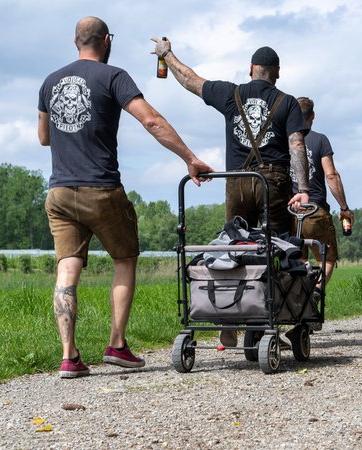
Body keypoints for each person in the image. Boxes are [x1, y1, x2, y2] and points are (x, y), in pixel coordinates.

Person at [38, 17, 214, 379]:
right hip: (100, 188)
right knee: (125, 258)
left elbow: (44, 137)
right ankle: (116, 345)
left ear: (76, 43)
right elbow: (151, 121)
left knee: (67, 267)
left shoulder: (49, 82)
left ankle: (69, 357)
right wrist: (190, 158)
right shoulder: (114, 76)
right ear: (105, 41)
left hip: (58, 190)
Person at [152, 39, 310, 347]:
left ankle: (229, 321)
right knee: (276, 249)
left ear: (251, 70)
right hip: (274, 183)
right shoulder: (288, 102)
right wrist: (303, 189)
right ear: (276, 74)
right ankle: (269, 321)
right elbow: (297, 146)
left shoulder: (230, 93)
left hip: (237, 180)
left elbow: (190, 80)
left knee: (232, 248)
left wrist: (166, 54)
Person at [292, 97, 354, 286]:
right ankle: (315, 294)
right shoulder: (320, 139)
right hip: (314, 210)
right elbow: (331, 176)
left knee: (298, 258)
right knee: (327, 258)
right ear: (313, 116)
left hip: (291, 211)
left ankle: (300, 300)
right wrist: (344, 207)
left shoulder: (284, 140)